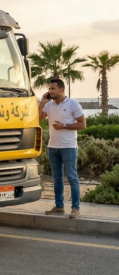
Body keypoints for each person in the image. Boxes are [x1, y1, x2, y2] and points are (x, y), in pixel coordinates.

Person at [38, 78, 86, 218]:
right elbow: (37, 119)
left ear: (61, 89)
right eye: (49, 88)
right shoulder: (49, 105)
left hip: (69, 147)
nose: (50, 91)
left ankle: (75, 209)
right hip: (53, 147)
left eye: (53, 89)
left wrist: (64, 126)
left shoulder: (73, 104)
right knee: (57, 179)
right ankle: (59, 206)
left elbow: (82, 124)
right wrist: (42, 103)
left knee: (72, 177)